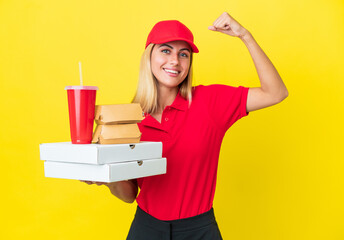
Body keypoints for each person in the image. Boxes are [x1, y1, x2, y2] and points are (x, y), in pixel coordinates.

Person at [82, 12, 288, 239]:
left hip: (198, 230)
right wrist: (106, 177)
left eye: (184, 54)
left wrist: (245, 36)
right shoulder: (131, 119)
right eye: (166, 50)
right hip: (146, 228)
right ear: (149, 56)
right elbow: (130, 194)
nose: (175, 61)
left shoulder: (210, 102)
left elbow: (275, 92)